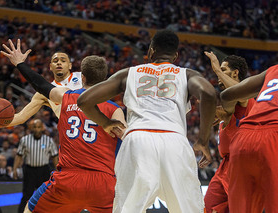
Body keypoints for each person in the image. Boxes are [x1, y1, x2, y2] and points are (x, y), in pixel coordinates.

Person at [77, 30, 217, 213]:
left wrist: (105, 123)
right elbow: (208, 93)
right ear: (175, 56)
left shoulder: (128, 74)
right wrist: (203, 140)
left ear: (151, 52)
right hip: (174, 141)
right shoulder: (187, 74)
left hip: (137, 140)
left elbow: (84, 101)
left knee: (129, 209)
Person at [0, 39, 126, 212]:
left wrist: (20, 64)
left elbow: (40, 84)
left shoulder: (66, 96)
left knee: (29, 210)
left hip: (68, 179)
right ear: (105, 80)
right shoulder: (115, 109)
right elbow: (127, 140)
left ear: (81, 76)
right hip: (103, 182)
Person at [220, 64, 278, 212]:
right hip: (274, 137)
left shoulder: (274, 70)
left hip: (243, 138)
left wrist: (227, 114)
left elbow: (226, 95)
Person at [203, 52, 255, 213]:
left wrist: (216, 69)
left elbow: (239, 93)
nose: (219, 75)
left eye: (224, 70)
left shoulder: (246, 94)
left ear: (235, 73)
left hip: (243, 166)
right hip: (225, 167)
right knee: (209, 206)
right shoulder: (228, 104)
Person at [7, 51, 82, 126]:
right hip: (72, 134)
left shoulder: (83, 77)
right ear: (50, 67)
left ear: (70, 66)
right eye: (55, 61)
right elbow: (20, 117)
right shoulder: (44, 93)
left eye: (63, 60)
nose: (59, 63)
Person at [14, 119, 58, 213]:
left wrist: (58, 170)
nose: (37, 129)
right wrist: (14, 169)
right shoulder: (25, 140)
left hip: (44, 170)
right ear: (31, 128)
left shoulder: (48, 140)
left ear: (42, 128)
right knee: (26, 195)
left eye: (39, 127)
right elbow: (19, 155)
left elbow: (54, 156)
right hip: (30, 171)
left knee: (46, 195)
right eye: (35, 127)